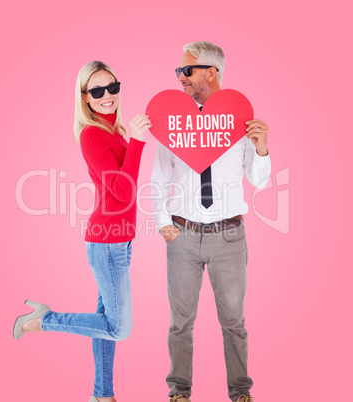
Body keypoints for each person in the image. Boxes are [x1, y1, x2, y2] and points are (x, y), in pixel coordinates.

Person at [13, 60, 151, 402]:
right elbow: (122, 190)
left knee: (106, 321)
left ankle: (103, 396)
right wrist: (137, 142)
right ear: (85, 97)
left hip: (120, 238)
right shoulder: (91, 134)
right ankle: (44, 320)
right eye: (97, 91)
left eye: (113, 87)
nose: (107, 96)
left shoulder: (113, 131)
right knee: (120, 327)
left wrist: (131, 139)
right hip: (106, 241)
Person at [151, 41, 271, 402]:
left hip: (229, 236)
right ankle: (179, 393)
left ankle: (239, 392)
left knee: (234, 322)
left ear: (210, 72)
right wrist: (162, 222)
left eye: (186, 71)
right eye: (179, 72)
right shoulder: (174, 122)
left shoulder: (239, 118)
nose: (180, 78)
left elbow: (260, 180)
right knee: (180, 323)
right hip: (183, 235)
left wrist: (262, 148)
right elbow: (159, 176)